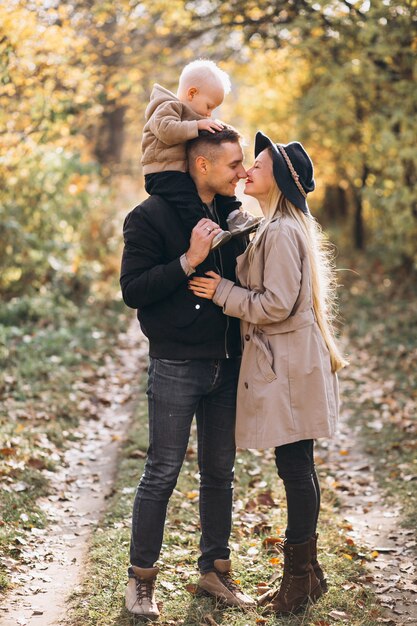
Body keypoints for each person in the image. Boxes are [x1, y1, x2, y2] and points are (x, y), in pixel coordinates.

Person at [189, 131, 348, 615]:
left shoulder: (281, 232)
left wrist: (222, 294)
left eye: (256, 166)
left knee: (296, 468)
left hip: (290, 362)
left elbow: (275, 304)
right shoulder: (276, 226)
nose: (246, 172)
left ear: (277, 178)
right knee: (298, 465)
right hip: (291, 360)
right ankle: (308, 573)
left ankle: (298, 581)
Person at [120, 126, 256, 619]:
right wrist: (189, 260)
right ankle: (140, 582)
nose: (241, 172)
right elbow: (133, 289)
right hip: (176, 363)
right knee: (162, 473)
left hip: (227, 363)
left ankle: (214, 573)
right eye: (232, 165)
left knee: (221, 473)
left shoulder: (234, 215)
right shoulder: (148, 217)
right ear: (202, 165)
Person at [142, 59, 262, 250]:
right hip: (162, 172)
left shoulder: (190, 115)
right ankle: (206, 232)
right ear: (192, 93)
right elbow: (165, 130)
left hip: (179, 170)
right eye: (209, 106)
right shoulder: (166, 106)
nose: (208, 114)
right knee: (187, 199)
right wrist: (197, 125)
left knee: (220, 185)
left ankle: (234, 217)